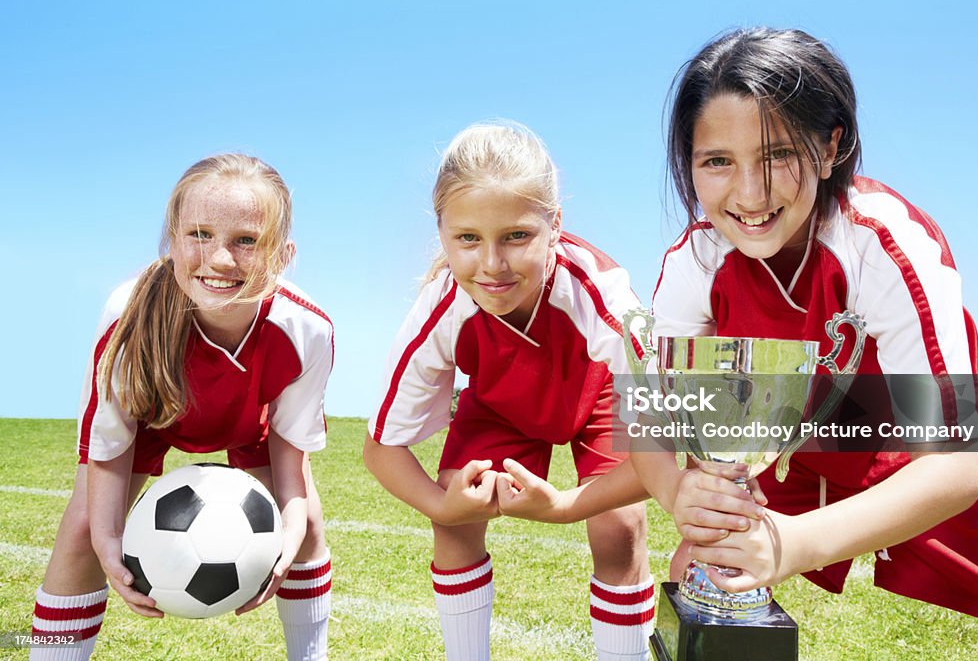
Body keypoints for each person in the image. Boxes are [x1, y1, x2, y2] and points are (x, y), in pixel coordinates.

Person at [634, 27, 978, 656]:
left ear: (830, 145)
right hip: (794, 442)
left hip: (931, 444)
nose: (750, 194)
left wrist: (793, 543)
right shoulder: (694, 263)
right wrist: (682, 492)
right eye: (716, 161)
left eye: (777, 155)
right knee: (698, 568)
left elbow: (953, 472)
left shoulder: (883, 244)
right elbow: (653, 423)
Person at [363, 122, 654, 661]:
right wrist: (441, 506)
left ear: (555, 227)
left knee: (618, 526)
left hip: (602, 394)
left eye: (516, 236)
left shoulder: (603, 294)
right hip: (502, 408)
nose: (491, 265)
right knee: (455, 519)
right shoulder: (441, 309)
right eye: (468, 239)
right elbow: (380, 449)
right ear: (443, 232)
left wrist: (568, 506)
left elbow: (666, 446)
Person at [30, 154, 335, 661]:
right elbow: (108, 443)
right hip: (149, 418)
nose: (220, 259)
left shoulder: (306, 330)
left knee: (305, 524)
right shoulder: (129, 314)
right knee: (85, 527)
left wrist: (293, 528)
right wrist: (108, 539)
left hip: (247, 423)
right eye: (199, 234)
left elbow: (290, 451)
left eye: (246, 241)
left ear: (283, 255)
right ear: (171, 240)